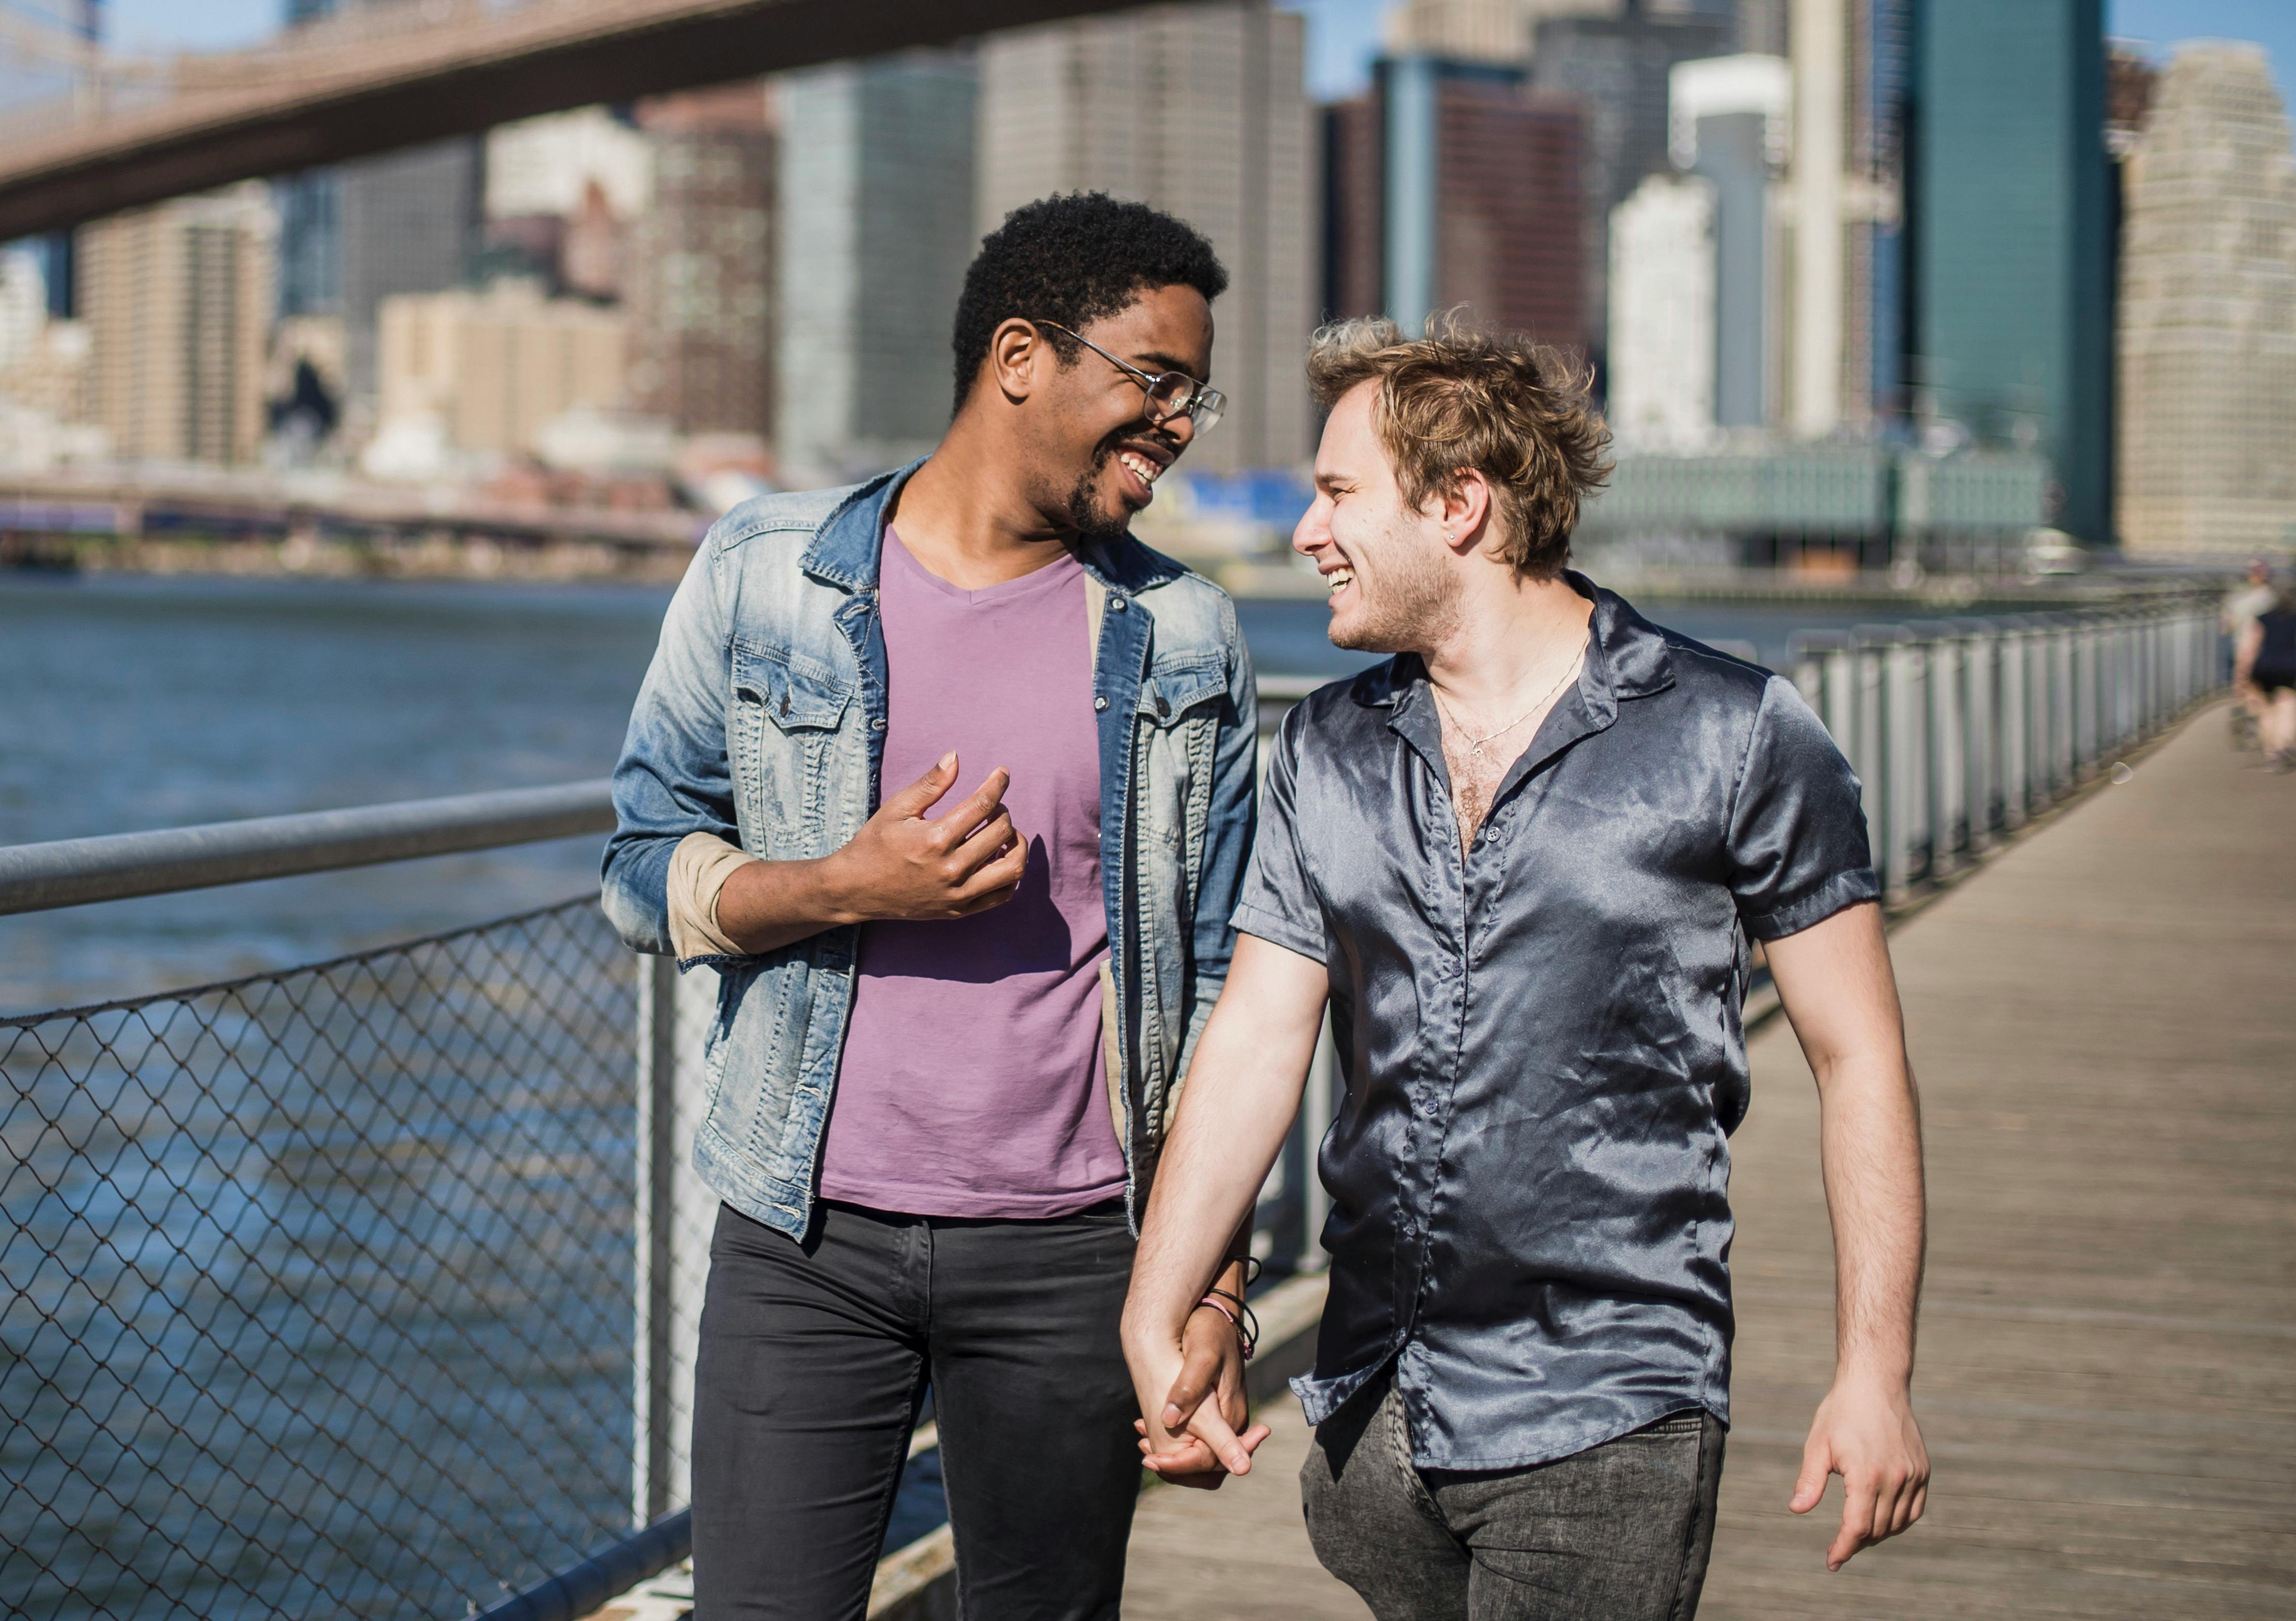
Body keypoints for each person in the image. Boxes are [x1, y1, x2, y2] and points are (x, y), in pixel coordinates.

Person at [1119, 318, 1931, 1620]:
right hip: (1371, 1415)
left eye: (1336, 494)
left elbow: (1858, 1053)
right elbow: (1259, 1037)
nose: (1304, 533)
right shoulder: (1326, 745)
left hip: (1606, 1406)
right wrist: (1163, 1311)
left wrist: (1873, 1370)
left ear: (1459, 504)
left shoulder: (1735, 731)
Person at [603, 193, 1261, 1621]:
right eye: (1157, 382)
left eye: (1196, 394)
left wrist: (1210, 1286)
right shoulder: (763, 574)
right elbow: (639, 862)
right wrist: (844, 885)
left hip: (1079, 1252)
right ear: (1022, 357)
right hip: (805, 1241)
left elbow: (1226, 984)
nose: (1183, 424)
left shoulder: (1188, 636)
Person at [2237, 575, 2296, 770]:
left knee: (2266, 711)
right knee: (2287, 706)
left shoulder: (2263, 618)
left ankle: (2271, 754)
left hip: (2263, 668)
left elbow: (2249, 648)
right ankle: (2283, 746)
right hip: (2290, 667)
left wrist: (2241, 676)